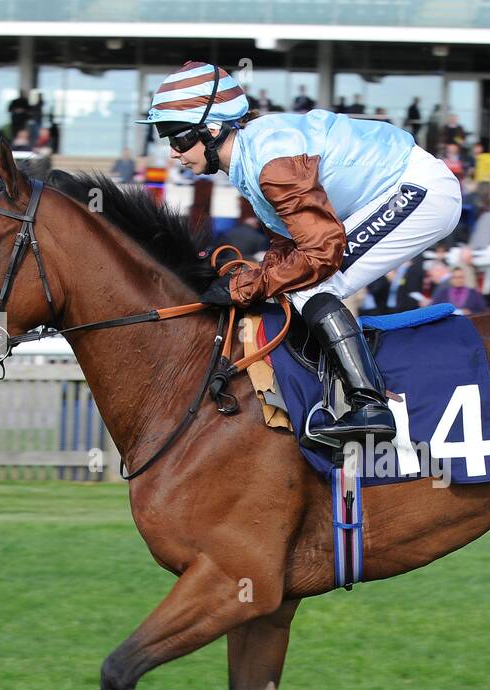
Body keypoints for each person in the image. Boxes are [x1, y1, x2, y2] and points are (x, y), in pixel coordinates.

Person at [138, 62, 463, 443]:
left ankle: (370, 406)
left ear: (211, 130)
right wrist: (250, 280)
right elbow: (286, 244)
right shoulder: (248, 157)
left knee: (312, 286)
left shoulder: (270, 163)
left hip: (420, 191)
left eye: (177, 139)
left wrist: (247, 287)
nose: (174, 154)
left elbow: (321, 252)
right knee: (295, 286)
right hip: (395, 188)